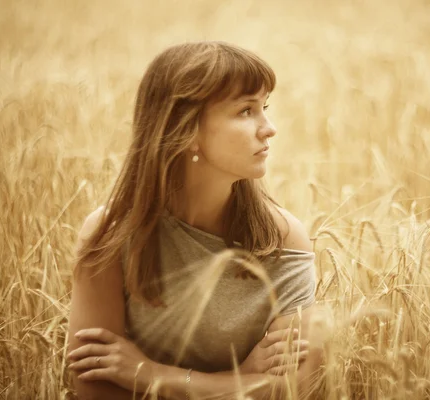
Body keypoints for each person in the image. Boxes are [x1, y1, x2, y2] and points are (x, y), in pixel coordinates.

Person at [67, 41, 324, 399]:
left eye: (264, 108)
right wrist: (240, 380)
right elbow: (96, 387)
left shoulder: (281, 239)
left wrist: (150, 374)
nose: (269, 128)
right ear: (187, 130)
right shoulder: (111, 236)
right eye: (246, 111)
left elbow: (292, 389)